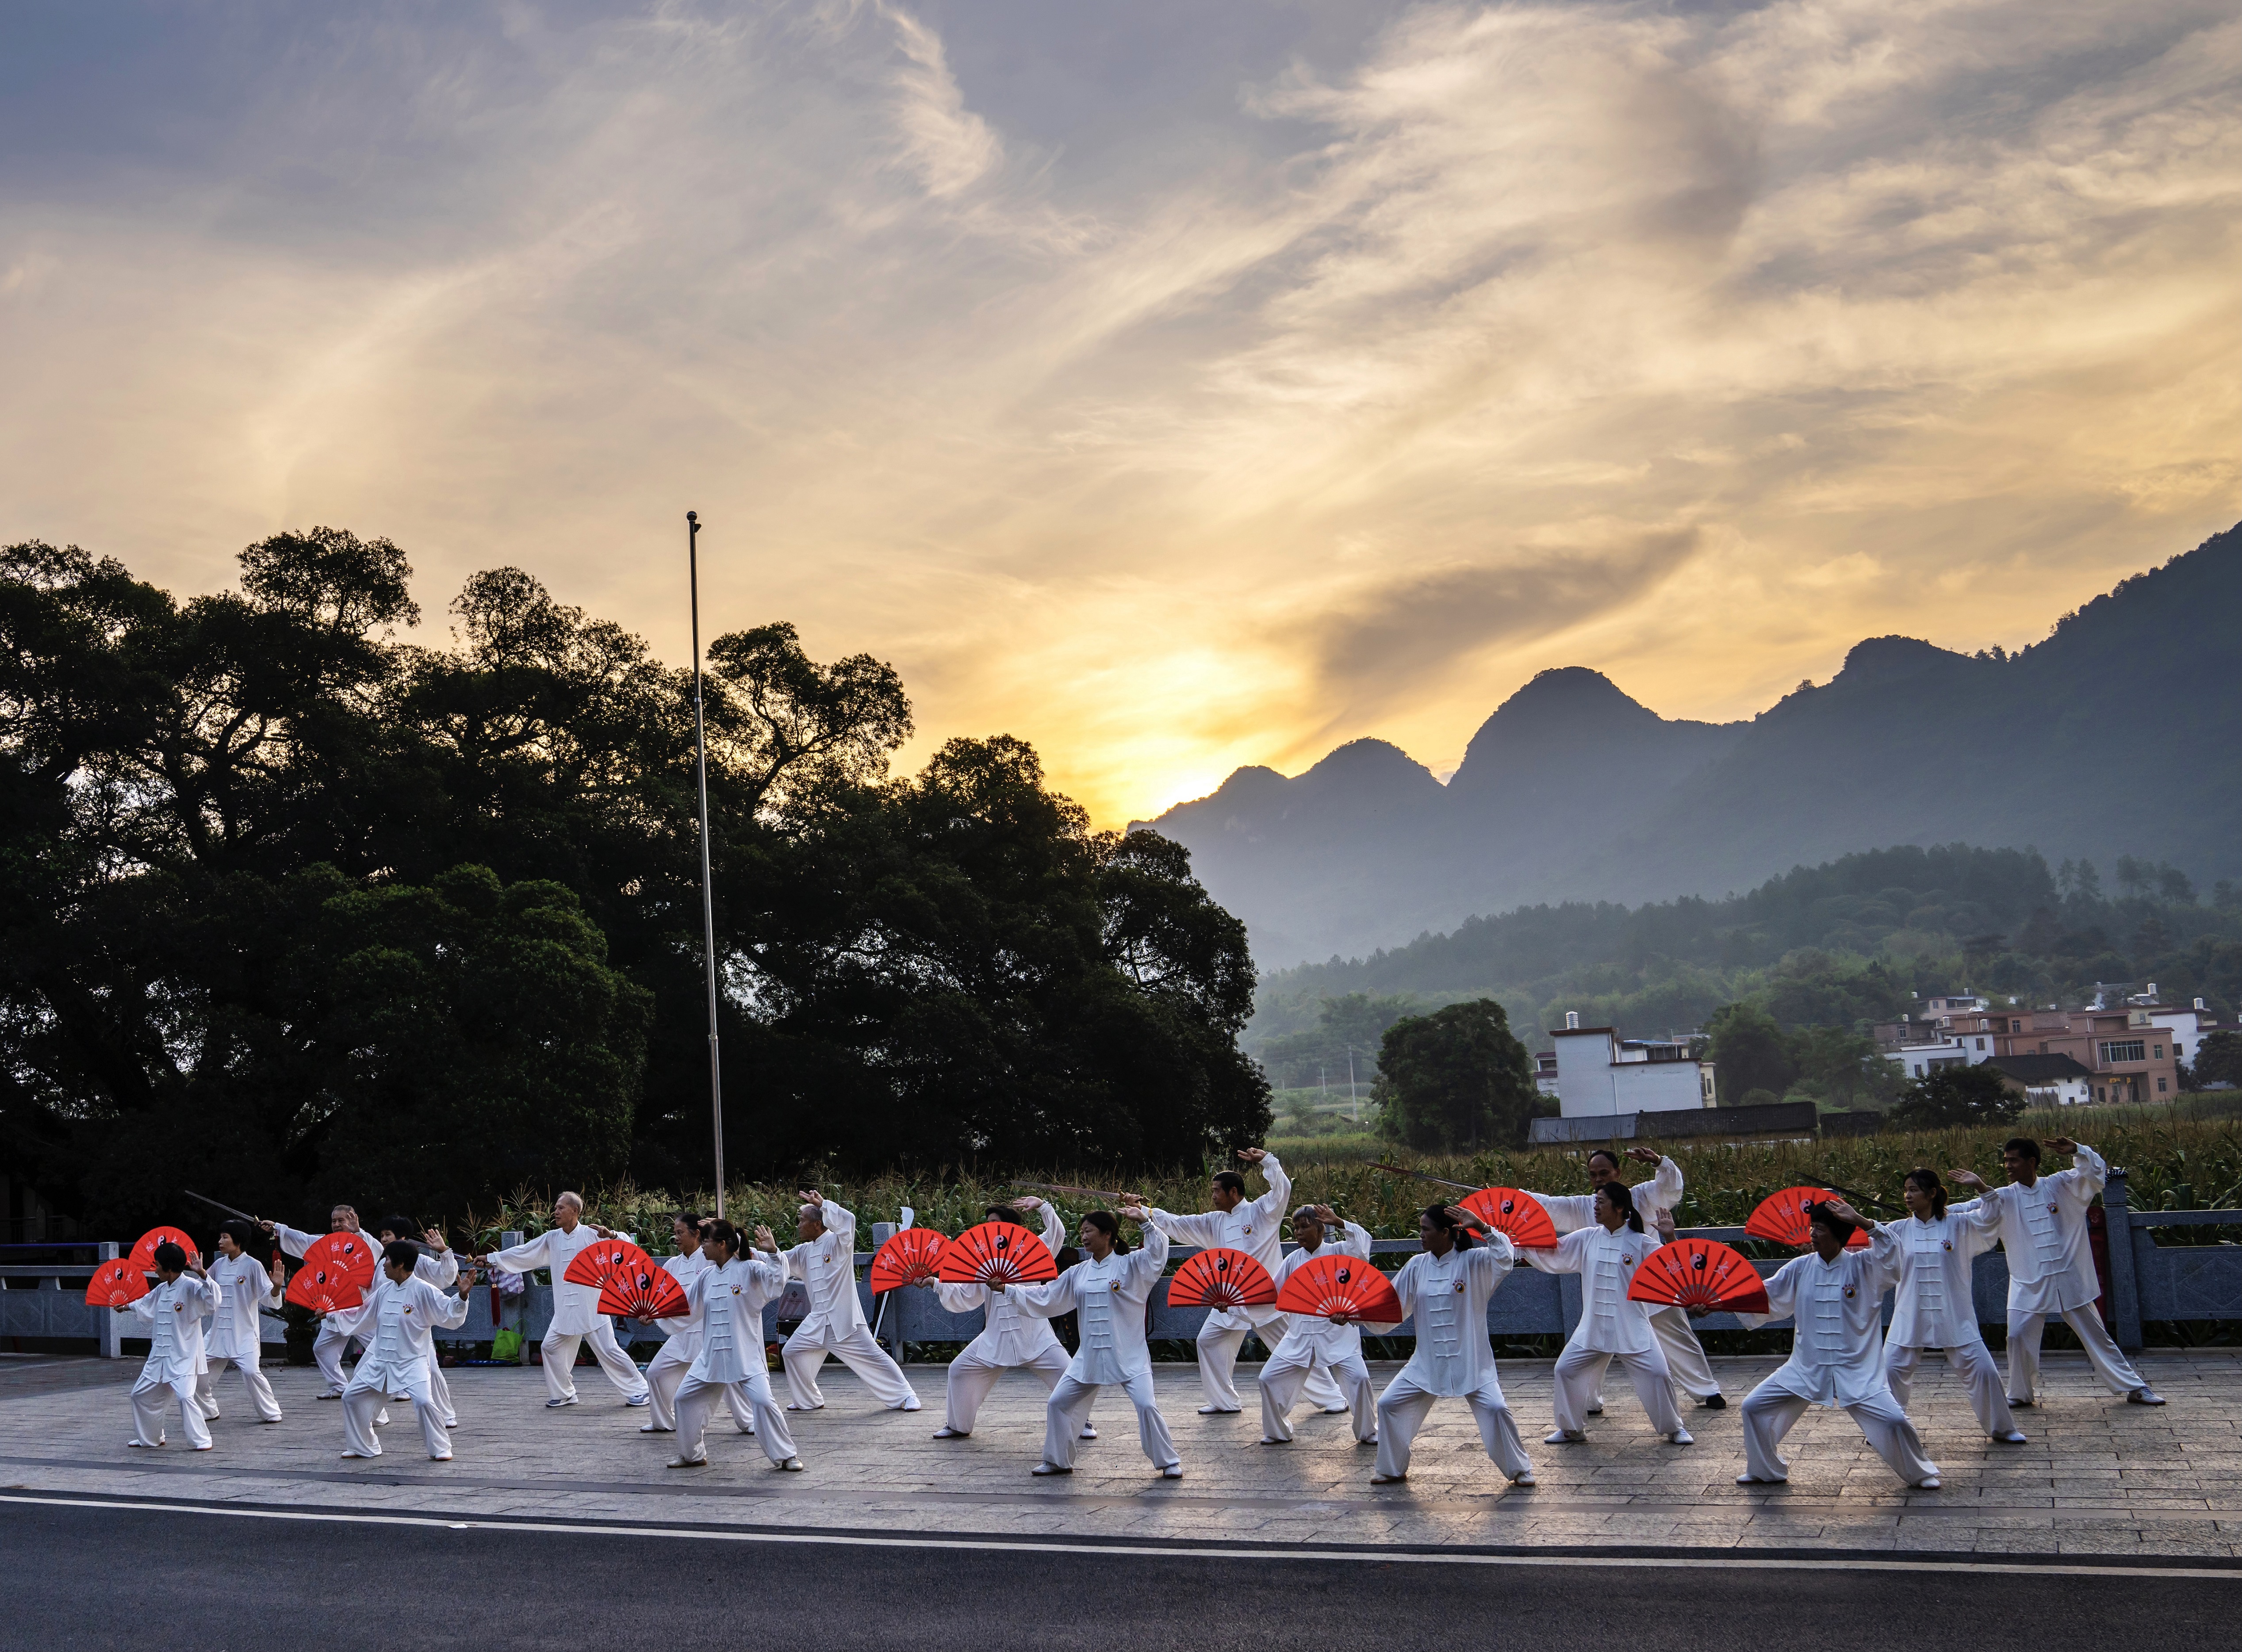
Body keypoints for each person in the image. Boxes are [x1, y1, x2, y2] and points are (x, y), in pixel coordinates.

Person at [1732, 1198, 1939, 1489]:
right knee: (1752, 1406)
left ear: (1838, 1234)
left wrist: (1863, 1222)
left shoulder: (1864, 1266)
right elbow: (1761, 1294)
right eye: (1811, 1227)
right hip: (1805, 1367)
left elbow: (1893, 1257)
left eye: (1819, 1228)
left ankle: (1921, 1473)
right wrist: (1716, 1302)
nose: (1812, 1234)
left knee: (1894, 1420)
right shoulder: (1800, 1267)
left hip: (1856, 1370)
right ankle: (1765, 1470)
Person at [1952, 1136, 2165, 1408]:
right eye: (2005, 1160)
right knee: (2017, 1336)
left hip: (2067, 1277)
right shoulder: (2003, 1198)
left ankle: (2135, 1387)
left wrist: (2078, 1150)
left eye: (2013, 1160)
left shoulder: (2061, 1185)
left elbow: (2094, 1173)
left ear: (2031, 1162)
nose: (2008, 1165)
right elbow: (1969, 1211)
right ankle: (2019, 1393)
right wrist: (1935, 1213)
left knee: (2096, 1336)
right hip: (2028, 1282)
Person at [1138, 1149, 1349, 1416]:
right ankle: (1224, 1401)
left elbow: (1282, 1189)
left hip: (1266, 1298)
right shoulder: (1213, 1222)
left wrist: (1269, 1162)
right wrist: (1143, 1210)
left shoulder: (1262, 1212)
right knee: (1208, 1341)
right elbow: (1178, 1223)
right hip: (1230, 1301)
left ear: (1234, 1192)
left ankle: (1333, 1398)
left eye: (1217, 1191)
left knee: (1294, 1348)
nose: (1213, 1196)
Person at [1520, 1146, 1722, 1412]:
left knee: (1679, 1338)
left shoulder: (1643, 1196)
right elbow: (1546, 1204)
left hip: (1654, 1288)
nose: (1599, 1179)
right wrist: (1512, 1200)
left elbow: (1671, 1188)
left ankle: (1706, 1390)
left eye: (1605, 1173)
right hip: (1608, 1294)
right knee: (1595, 1346)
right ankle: (1590, 1401)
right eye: (1593, 1175)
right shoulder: (1586, 1206)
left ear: (1618, 1172)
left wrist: (1661, 1162)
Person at [1005, 1206, 1182, 1478]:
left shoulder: (1132, 1265)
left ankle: (1168, 1461)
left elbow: (1159, 1254)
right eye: (1082, 1232)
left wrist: (1146, 1223)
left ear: (1108, 1234)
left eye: (1089, 1231)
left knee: (1147, 1405)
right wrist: (1008, 1289)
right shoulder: (1078, 1272)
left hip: (1129, 1355)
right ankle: (1057, 1460)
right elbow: (1047, 1295)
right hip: (1088, 1357)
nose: (1084, 1237)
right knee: (1058, 1403)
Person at [1371, 1204, 1534, 1487]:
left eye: (1426, 1229)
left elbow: (1506, 1257)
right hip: (1427, 1363)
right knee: (1388, 1405)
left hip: (1471, 1361)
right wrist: (1351, 1315)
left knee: (1496, 1409)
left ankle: (1520, 1470)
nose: (1420, 1235)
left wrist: (1483, 1227)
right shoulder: (1416, 1266)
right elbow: (1390, 1306)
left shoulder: (1474, 1262)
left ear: (1446, 1233)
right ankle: (1391, 1469)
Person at [1524, 1181, 1693, 1447]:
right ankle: (1571, 1429)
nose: (1596, 1207)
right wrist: (1518, 1241)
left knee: (1659, 1374)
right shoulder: (1587, 1237)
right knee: (1565, 1370)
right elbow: (1553, 1250)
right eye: (1596, 1201)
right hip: (1593, 1327)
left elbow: (1675, 1270)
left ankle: (1674, 1428)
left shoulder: (1640, 1243)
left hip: (1632, 1327)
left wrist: (1671, 1238)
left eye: (1601, 1202)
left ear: (1620, 1208)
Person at [928, 1197, 1094, 1442]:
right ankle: (958, 1425)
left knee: (1068, 1375)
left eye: (995, 1223)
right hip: (995, 1337)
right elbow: (967, 1294)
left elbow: (1057, 1233)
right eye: (988, 1223)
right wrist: (934, 1283)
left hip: (1035, 1335)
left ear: (1010, 1228)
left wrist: (1042, 1206)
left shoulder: (1032, 1250)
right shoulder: (981, 1261)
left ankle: (1082, 1422)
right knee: (960, 1371)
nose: (990, 1228)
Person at [1880, 1169, 2025, 1443]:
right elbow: (1868, 1254)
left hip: (1954, 1313)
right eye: (1906, 1190)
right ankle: (1884, 1429)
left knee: (1983, 1370)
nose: (1907, 1196)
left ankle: (2003, 1429)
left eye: (1913, 1190)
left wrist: (1982, 1186)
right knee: (1889, 1371)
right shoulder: (1897, 1230)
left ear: (1932, 1194)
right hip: (1910, 1315)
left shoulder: (1959, 1225)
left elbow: (1992, 1218)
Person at [475, 1192, 652, 1409]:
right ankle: (564, 1393)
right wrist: (492, 1258)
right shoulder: (552, 1238)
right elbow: (525, 1252)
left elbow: (627, 1247)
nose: (555, 1212)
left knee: (608, 1351)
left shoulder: (592, 1234)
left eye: (561, 1208)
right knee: (550, 1348)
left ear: (575, 1211)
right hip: (564, 1310)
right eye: (556, 1208)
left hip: (592, 1307)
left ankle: (641, 1391)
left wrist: (613, 1235)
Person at [668, 1221, 801, 1471]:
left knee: (763, 1402)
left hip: (745, 1355)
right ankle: (691, 1455)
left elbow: (776, 1283)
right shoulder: (706, 1276)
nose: (703, 1246)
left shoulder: (750, 1269)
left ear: (722, 1245)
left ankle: (786, 1456)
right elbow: (685, 1306)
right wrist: (653, 1315)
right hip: (710, 1356)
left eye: (706, 1241)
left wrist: (773, 1253)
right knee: (684, 1398)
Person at [777, 1189, 921, 1414]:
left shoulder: (838, 1243)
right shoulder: (803, 1251)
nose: (798, 1225)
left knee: (874, 1357)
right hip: (817, 1321)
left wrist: (824, 1204)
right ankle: (808, 1400)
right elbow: (779, 1261)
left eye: (802, 1220)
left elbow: (849, 1221)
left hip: (844, 1320)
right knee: (791, 1352)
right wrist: (742, 1249)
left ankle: (906, 1395)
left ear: (817, 1224)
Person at [1258, 1203, 1380, 1448]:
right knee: (1268, 1378)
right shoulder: (1293, 1260)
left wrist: (1341, 1223)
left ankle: (1368, 1431)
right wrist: (1233, 1303)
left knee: (1359, 1378)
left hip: (1337, 1333)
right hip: (1300, 1335)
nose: (1299, 1232)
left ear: (1321, 1228)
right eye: (1295, 1228)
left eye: (1305, 1227)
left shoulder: (1339, 1252)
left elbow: (1363, 1246)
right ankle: (1277, 1432)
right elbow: (1272, 1293)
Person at [341, 1241, 471, 1461]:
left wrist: (462, 1297)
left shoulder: (423, 1290)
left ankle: (440, 1448)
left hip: (412, 1362)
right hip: (380, 1360)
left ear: (401, 1264)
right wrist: (331, 1315)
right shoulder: (384, 1291)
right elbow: (360, 1313)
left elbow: (450, 1313)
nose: (383, 1265)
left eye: (388, 1260)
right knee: (351, 1397)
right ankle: (364, 1446)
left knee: (424, 1402)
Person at [641, 1213, 753, 1437]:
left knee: (729, 1380)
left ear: (697, 1234)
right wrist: (652, 1313)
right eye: (675, 1233)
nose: (676, 1237)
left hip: (709, 1334)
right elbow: (664, 1298)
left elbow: (741, 1255)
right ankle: (663, 1421)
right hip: (681, 1334)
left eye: (680, 1232)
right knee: (655, 1373)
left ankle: (748, 1421)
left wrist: (719, 1227)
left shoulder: (711, 1257)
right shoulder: (672, 1264)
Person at [262, 1204, 370, 1398]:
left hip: (360, 1307)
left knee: (381, 1345)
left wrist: (358, 1232)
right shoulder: (326, 1243)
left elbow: (376, 1254)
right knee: (322, 1348)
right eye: (334, 1221)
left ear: (353, 1219)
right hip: (334, 1309)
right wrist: (278, 1228)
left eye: (341, 1221)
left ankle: (403, 1387)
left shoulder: (365, 1242)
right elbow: (302, 1239)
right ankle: (339, 1386)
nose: (337, 1225)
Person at [118, 1241, 218, 1451]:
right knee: (139, 1395)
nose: (155, 1270)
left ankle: (202, 1440)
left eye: (157, 1265)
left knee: (185, 1396)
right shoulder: (162, 1289)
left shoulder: (192, 1287)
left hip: (183, 1356)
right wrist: (126, 1307)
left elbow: (213, 1300)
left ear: (169, 1267)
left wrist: (202, 1273)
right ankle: (151, 1437)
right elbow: (145, 1303)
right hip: (159, 1356)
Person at [373, 1215, 461, 1429]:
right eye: (382, 1235)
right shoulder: (382, 1264)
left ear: (402, 1237)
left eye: (388, 1235)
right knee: (367, 1375)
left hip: (414, 1329)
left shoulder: (417, 1261)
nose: (384, 1240)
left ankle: (446, 1414)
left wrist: (444, 1252)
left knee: (431, 1371)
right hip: (386, 1330)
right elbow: (374, 1295)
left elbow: (445, 1277)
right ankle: (373, 1413)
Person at [198, 1220, 284, 1425]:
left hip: (244, 1332)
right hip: (218, 1333)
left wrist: (276, 1287)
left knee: (251, 1372)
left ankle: (270, 1411)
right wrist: (200, 1273)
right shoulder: (219, 1264)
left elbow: (267, 1297)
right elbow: (204, 1287)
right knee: (197, 1372)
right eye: (221, 1237)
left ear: (238, 1242)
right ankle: (208, 1410)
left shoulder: (253, 1265)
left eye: (225, 1237)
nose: (220, 1241)